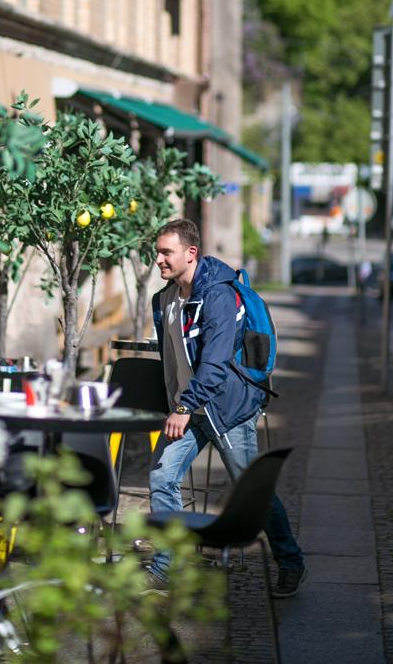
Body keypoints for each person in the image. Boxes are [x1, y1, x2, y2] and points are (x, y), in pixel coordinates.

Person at [146, 219, 307, 597]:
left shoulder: (218, 296)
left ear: (191, 253)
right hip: (190, 408)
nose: (159, 260)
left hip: (227, 408)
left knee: (252, 491)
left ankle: (291, 561)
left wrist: (184, 407)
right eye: (157, 252)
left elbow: (215, 361)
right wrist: (179, 404)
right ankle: (165, 566)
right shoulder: (165, 299)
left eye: (166, 252)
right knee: (161, 477)